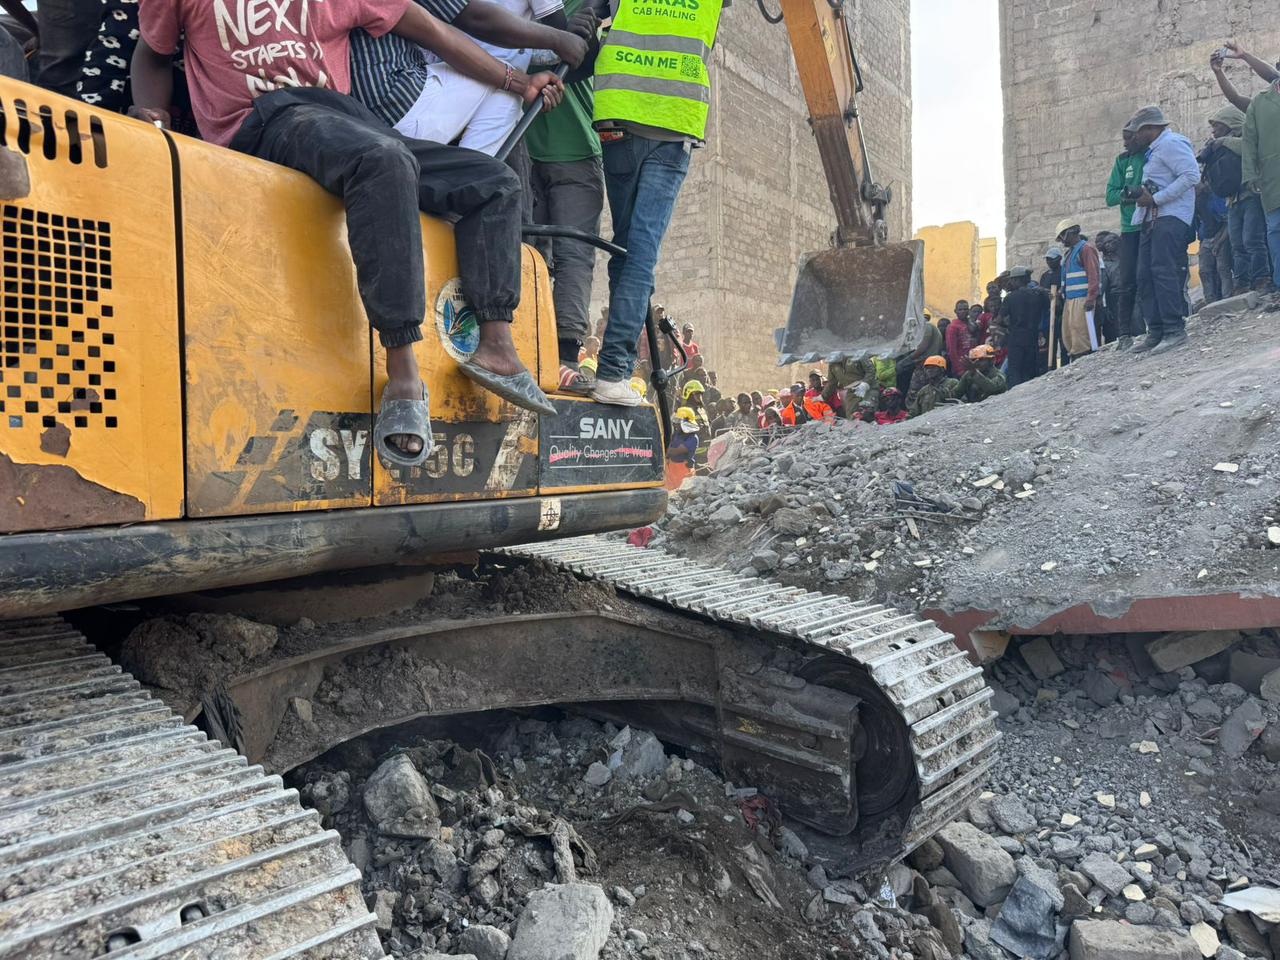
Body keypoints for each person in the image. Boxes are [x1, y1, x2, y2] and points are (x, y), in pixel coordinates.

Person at [132, 0, 567, 469]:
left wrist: (521, 83)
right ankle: (402, 372)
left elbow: (435, 33)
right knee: (383, 159)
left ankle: (496, 347)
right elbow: (152, 53)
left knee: (494, 182)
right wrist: (153, 113)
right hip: (261, 121)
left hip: (343, 120)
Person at [582, 0, 725, 406]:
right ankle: (612, 372)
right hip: (671, 123)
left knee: (626, 248)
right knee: (641, 254)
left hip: (618, 115)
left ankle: (617, 363)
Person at [348, 0, 587, 155]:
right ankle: (470, 178)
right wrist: (557, 40)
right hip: (394, 103)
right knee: (507, 89)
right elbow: (471, 21)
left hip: (357, 110)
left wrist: (562, 39)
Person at [526, 0, 606, 395]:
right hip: (568, 150)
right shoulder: (577, 8)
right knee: (573, 255)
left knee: (533, 252)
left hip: (528, 144)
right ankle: (563, 358)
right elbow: (588, 60)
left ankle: (548, 350)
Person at [1127, 105, 1199, 355]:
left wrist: (1157, 199)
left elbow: (1191, 176)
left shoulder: (1171, 143)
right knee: (1145, 275)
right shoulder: (1154, 150)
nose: (1136, 137)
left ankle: (1173, 329)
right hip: (1152, 218)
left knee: (1163, 271)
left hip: (1170, 216)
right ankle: (1156, 331)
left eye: (1139, 131)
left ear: (1150, 129)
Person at [1201, 104, 1267, 295]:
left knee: (1252, 240)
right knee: (1237, 245)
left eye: (1217, 126)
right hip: (1233, 201)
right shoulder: (1219, 145)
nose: (1214, 131)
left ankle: (1262, 280)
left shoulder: (1247, 135)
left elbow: (1248, 148)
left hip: (1251, 195)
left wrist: (1223, 141)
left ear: (1230, 123)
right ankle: (1242, 285)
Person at [1104, 127, 1147, 349]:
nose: (1125, 144)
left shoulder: (1151, 154)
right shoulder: (1122, 162)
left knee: (1153, 275)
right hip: (1130, 229)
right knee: (1127, 281)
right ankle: (1124, 335)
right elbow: (1110, 196)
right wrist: (1131, 194)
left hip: (1152, 224)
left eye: (1129, 138)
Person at [1242, 69, 1280, 294]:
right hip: (1271, 178)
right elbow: (1249, 141)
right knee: (1275, 229)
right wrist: (1250, 174)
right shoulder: (1259, 102)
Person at [1053, 219, 1101, 359]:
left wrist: (1091, 298)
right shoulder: (1069, 254)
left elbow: (1093, 275)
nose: (1061, 241)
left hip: (1082, 299)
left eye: (1062, 236)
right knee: (1069, 333)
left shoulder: (1086, 249)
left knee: (1081, 334)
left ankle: (1083, 360)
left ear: (1071, 232)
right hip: (1070, 299)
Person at [996, 266, 1049, 388]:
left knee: (1015, 370)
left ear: (1016, 280)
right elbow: (1049, 309)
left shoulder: (1011, 297)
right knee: (1030, 369)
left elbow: (999, 320)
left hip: (1016, 338)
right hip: (1033, 337)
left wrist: (1006, 324)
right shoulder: (1039, 294)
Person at [1195, 180, 1232, 304]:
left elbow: (1227, 223)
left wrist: (1218, 242)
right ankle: (1210, 301)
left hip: (1221, 234)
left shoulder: (1216, 197)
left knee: (1222, 268)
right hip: (1205, 238)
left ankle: (1228, 298)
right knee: (1204, 270)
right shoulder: (1197, 200)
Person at [665, 405, 700, 489]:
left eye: (678, 421)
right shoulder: (677, 434)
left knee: (681, 495)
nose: (675, 424)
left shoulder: (693, 438)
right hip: (672, 469)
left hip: (684, 471)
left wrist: (662, 449)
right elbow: (669, 449)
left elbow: (676, 451)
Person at [944, 300, 976, 376]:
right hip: (961, 367)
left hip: (972, 364)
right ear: (955, 311)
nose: (963, 312)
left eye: (965, 309)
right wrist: (958, 368)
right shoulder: (953, 327)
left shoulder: (970, 324)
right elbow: (951, 350)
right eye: (960, 309)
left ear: (968, 310)